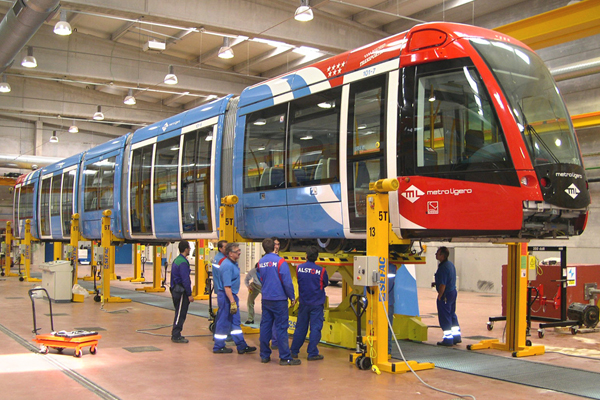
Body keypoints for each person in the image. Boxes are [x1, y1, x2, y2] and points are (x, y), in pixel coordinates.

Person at [257, 238, 300, 365]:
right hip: (279, 299)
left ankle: (264, 355)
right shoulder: (280, 261)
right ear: (275, 247)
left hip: (266, 298)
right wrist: (291, 297)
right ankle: (285, 357)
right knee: (281, 328)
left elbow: (260, 278)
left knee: (265, 326)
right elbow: (287, 281)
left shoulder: (261, 262)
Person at [213, 243, 257, 354]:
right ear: (230, 253)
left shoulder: (233, 264)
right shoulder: (227, 266)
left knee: (235, 322)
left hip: (231, 296)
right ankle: (218, 346)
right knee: (223, 321)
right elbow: (226, 286)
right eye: (237, 251)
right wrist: (232, 301)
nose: (240, 252)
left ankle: (241, 346)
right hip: (227, 296)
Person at [290, 246, 328, 361]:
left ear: (306, 256)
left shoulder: (299, 268)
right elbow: (325, 283)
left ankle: (294, 351)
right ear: (317, 257)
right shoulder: (321, 271)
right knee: (315, 328)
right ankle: (312, 353)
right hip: (316, 304)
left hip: (304, 303)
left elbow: (299, 280)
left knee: (300, 327)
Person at [434, 246, 461, 346]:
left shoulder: (443, 268)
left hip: (445, 294)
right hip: (452, 292)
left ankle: (448, 339)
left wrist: (440, 295)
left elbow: (442, 284)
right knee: (452, 314)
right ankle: (456, 337)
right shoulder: (450, 265)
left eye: (437, 253)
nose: (435, 254)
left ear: (442, 256)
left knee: (445, 316)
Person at [170, 240, 194, 343]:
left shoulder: (177, 260)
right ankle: (176, 335)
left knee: (179, 312)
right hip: (181, 291)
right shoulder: (183, 262)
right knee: (180, 313)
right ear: (186, 249)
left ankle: (177, 333)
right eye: (189, 248)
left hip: (175, 289)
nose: (190, 250)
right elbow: (185, 279)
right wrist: (189, 294)